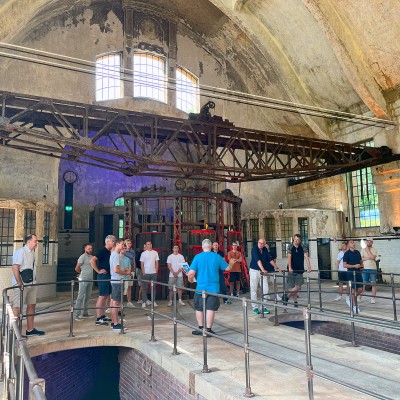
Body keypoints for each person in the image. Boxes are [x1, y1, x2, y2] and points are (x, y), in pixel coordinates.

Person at [188, 239, 235, 335]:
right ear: (211, 247)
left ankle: (201, 329)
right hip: (213, 288)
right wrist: (231, 263)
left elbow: (191, 273)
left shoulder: (197, 257)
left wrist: (190, 280)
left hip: (200, 288)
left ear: (202, 247)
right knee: (210, 308)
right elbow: (228, 268)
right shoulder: (217, 257)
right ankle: (208, 330)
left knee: (199, 308)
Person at [11, 234, 45, 336]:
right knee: (17, 307)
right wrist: (20, 283)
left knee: (31, 305)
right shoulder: (20, 252)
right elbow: (15, 267)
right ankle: (14, 332)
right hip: (21, 285)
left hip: (31, 283)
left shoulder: (32, 253)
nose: (37, 243)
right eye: (35, 241)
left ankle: (30, 329)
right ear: (28, 242)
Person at [249, 238, 281, 314]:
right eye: (259, 243)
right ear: (258, 242)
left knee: (266, 289)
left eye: (262, 243)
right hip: (254, 271)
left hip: (262, 272)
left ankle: (263, 307)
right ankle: (255, 308)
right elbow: (258, 260)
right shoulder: (254, 249)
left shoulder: (265, 250)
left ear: (264, 244)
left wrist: (276, 267)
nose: (261, 244)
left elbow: (269, 260)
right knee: (254, 289)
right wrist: (263, 269)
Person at [90, 235, 115, 326]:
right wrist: (98, 271)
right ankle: (98, 317)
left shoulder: (110, 252)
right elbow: (92, 260)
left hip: (108, 275)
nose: (114, 242)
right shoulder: (102, 251)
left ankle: (102, 315)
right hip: (103, 276)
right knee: (102, 296)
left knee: (106, 296)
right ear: (107, 242)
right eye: (112, 241)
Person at [284, 234, 311, 307]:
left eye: (297, 240)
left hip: (299, 269)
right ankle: (295, 302)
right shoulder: (290, 246)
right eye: (295, 239)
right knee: (293, 287)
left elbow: (306, 257)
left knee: (298, 287)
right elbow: (289, 257)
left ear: (300, 240)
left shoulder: (303, 246)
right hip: (291, 269)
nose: (296, 241)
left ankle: (286, 297)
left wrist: (309, 266)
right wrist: (290, 267)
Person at [110, 239, 130, 331]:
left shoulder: (113, 254)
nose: (123, 246)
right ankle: (116, 324)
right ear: (118, 244)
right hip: (117, 281)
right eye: (122, 244)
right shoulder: (116, 255)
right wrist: (126, 273)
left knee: (115, 302)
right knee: (116, 303)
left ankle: (114, 322)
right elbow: (116, 270)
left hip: (115, 280)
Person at [74, 243, 94, 320]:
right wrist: (80, 273)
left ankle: (85, 312)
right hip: (84, 278)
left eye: (91, 248)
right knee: (80, 296)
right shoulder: (82, 257)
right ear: (85, 249)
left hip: (90, 278)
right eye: (88, 248)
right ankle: (77, 314)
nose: (90, 250)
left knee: (88, 296)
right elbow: (77, 268)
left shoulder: (92, 257)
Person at [343, 239, 363, 313]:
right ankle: (354, 306)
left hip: (358, 273)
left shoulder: (357, 252)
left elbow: (361, 262)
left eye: (353, 242)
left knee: (360, 289)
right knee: (353, 290)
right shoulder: (346, 254)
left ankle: (351, 298)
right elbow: (344, 265)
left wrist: (361, 266)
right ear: (348, 245)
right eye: (351, 242)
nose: (353, 243)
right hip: (351, 273)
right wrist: (354, 266)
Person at [140, 241, 159, 307]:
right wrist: (143, 272)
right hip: (146, 273)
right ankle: (144, 302)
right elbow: (142, 264)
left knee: (153, 288)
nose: (149, 245)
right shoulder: (143, 253)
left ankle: (153, 301)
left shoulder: (155, 253)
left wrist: (156, 271)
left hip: (153, 272)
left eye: (150, 244)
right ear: (146, 245)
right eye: (148, 244)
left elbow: (157, 262)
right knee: (144, 288)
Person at [360, 237, 378, 304]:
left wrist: (367, 250)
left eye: (370, 242)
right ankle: (360, 297)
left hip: (372, 268)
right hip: (365, 268)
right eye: (368, 241)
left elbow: (373, 257)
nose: (369, 243)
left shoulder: (374, 250)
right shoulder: (362, 250)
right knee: (363, 284)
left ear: (372, 242)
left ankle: (373, 298)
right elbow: (361, 259)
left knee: (373, 284)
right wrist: (368, 257)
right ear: (366, 242)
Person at [123, 239, 136, 307]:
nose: (129, 244)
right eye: (128, 243)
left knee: (129, 286)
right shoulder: (122, 251)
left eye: (130, 243)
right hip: (124, 271)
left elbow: (133, 260)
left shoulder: (132, 251)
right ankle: (121, 302)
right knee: (123, 286)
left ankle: (129, 301)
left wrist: (134, 269)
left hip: (131, 270)